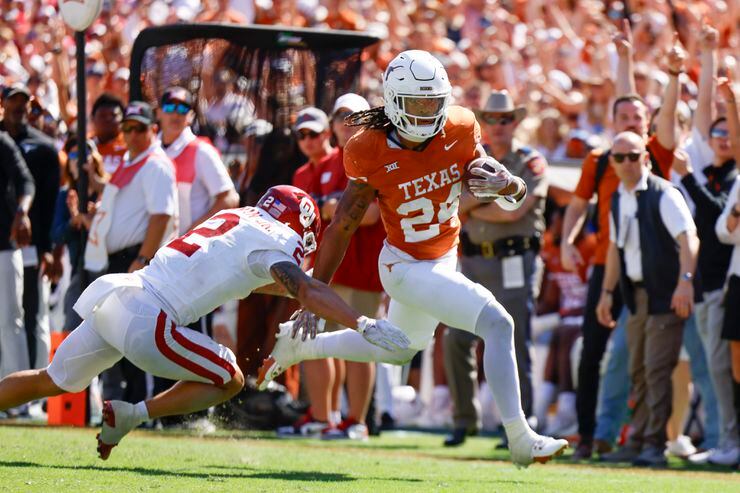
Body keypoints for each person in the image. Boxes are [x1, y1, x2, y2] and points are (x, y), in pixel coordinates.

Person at [257, 50, 568, 467]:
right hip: (404, 266)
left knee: (400, 350)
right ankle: (519, 437)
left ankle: (299, 348)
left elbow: (492, 179)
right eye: (417, 104)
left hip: (444, 257)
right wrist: (314, 288)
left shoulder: (459, 125)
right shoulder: (368, 147)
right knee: (498, 323)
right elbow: (342, 226)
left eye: (433, 103)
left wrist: (510, 185)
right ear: (394, 101)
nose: (427, 112)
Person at [0, 185, 410, 459]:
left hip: (118, 295)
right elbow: (303, 288)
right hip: (151, 320)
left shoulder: (237, 220)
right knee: (230, 377)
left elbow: (254, 281)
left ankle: (127, 416)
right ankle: (132, 415)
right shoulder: (274, 239)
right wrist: (360, 322)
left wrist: (303, 293)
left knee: (50, 378)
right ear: (298, 227)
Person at [444, 90, 549, 447]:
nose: (499, 125)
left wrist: (475, 203)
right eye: (492, 118)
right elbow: (454, 207)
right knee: (455, 338)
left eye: (505, 119)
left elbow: (516, 211)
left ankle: (521, 421)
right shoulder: (472, 161)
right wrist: (494, 195)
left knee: (516, 339)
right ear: (483, 122)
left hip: (514, 261)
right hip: (474, 260)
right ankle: (464, 419)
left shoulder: (531, 160)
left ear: (516, 122)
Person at [596, 131, 699, 467]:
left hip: (666, 294)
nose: (626, 163)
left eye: (633, 155)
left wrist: (685, 283)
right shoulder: (617, 198)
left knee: (656, 369)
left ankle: (654, 444)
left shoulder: (664, 194)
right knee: (638, 369)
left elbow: (689, 239)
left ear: (646, 157)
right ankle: (638, 439)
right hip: (636, 295)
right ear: (612, 161)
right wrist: (606, 293)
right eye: (619, 157)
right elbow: (615, 249)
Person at [85, 101, 179, 406]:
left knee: (139, 335)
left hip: (137, 258)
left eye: (139, 128)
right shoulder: (130, 161)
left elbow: (161, 216)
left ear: (153, 129)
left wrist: (142, 259)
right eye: (127, 128)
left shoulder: (155, 163)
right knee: (122, 335)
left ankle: (147, 402)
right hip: (118, 258)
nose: (132, 134)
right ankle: (129, 401)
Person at [675, 115, 739, 466]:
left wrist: (688, 177)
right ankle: (722, 439)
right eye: (717, 133)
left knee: (720, 368)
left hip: (723, 287)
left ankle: (728, 441)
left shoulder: (733, 177)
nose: (723, 139)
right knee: (710, 370)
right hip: (704, 286)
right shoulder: (712, 174)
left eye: (730, 133)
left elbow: (721, 221)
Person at [1, 82, 60, 372]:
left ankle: (32, 387)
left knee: (32, 314)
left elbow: (49, 202)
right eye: (12, 101)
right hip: (7, 237)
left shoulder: (44, 146)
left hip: (31, 242)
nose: (18, 107)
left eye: (23, 101)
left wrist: (48, 247)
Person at [0, 129, 34, 413]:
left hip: (3, 247)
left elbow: (26, 182)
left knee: (10, 322)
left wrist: (22, 212)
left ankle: (18, 401)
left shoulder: (2, 141)